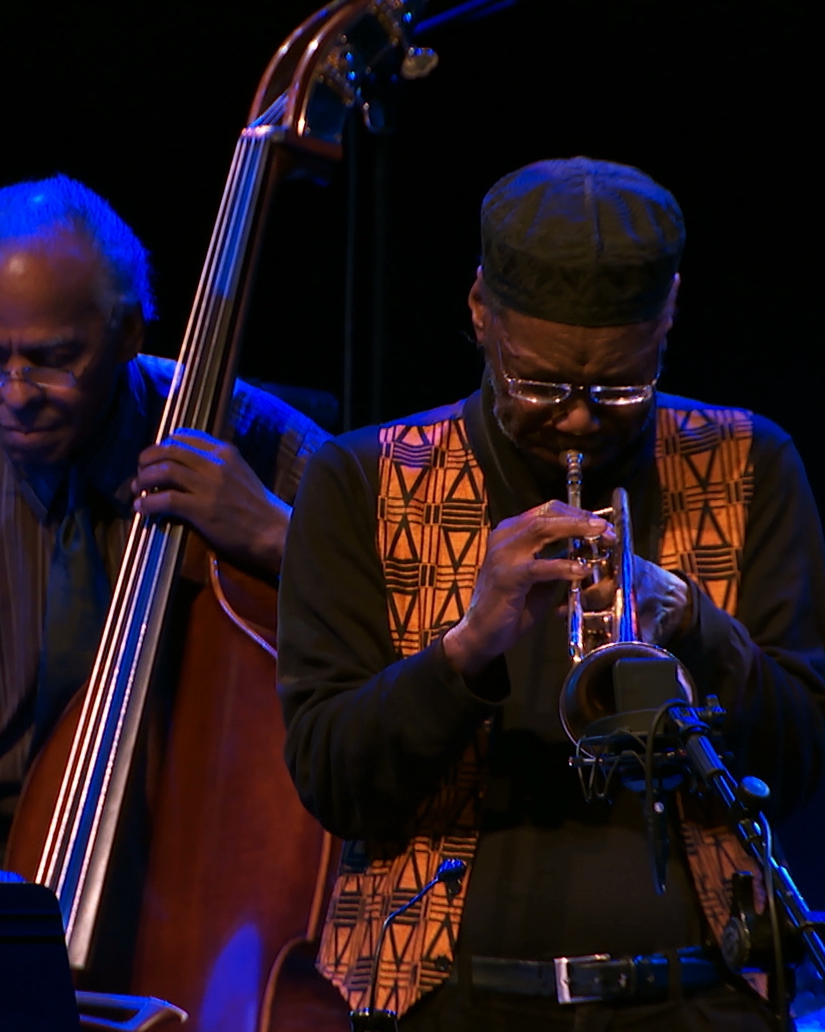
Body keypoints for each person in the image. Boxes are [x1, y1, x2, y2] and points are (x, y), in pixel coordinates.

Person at [278, 157, 825, 1030]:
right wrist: (466, 650)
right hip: (449, 1008)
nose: (576, 418)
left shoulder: (753, 462)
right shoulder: (360, 479)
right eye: (537, 384)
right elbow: (330, 780)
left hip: (705, 1001)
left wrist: (695, 624)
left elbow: (799, 764)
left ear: (670, 314)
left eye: (619, 388)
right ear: (479, 310)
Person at [0, 174, 328, 884]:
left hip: (214, 883)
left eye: (52, 360)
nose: (15, 395)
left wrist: (284, 539)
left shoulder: (242, 436)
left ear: (127, 332)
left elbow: (431, 599)